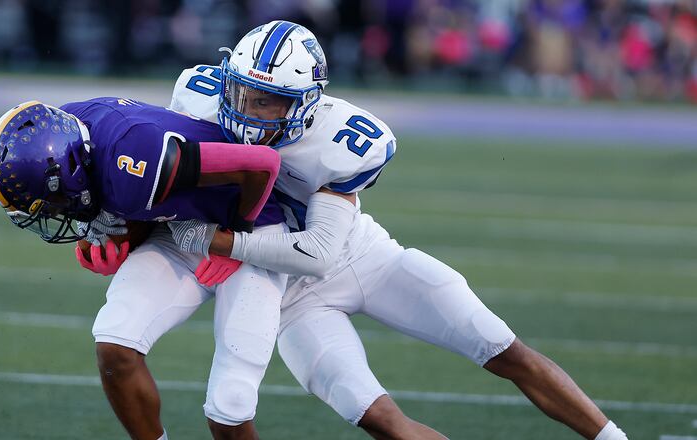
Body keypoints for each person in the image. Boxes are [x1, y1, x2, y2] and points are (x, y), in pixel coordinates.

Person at [167, 20, 629, 440]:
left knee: (502, 348)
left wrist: (209, 239)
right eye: (244, 94)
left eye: (269, 102)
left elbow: (319, 252)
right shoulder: (198, 99)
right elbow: (154, 176)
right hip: (290, 297)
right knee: (384, 422)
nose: (250, 110)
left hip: (363, 260)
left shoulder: (341, 140)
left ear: (306, 102)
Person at [0, 97, 289, 440]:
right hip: (179, 228)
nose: (55, 213)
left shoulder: (134, 157)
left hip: (252, 230)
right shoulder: (63, 130)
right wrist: (110, 236)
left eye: (52, 203)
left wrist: (236, 238)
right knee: (115, 343)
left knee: (228, 409)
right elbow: (127, 200)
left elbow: (261, 165)